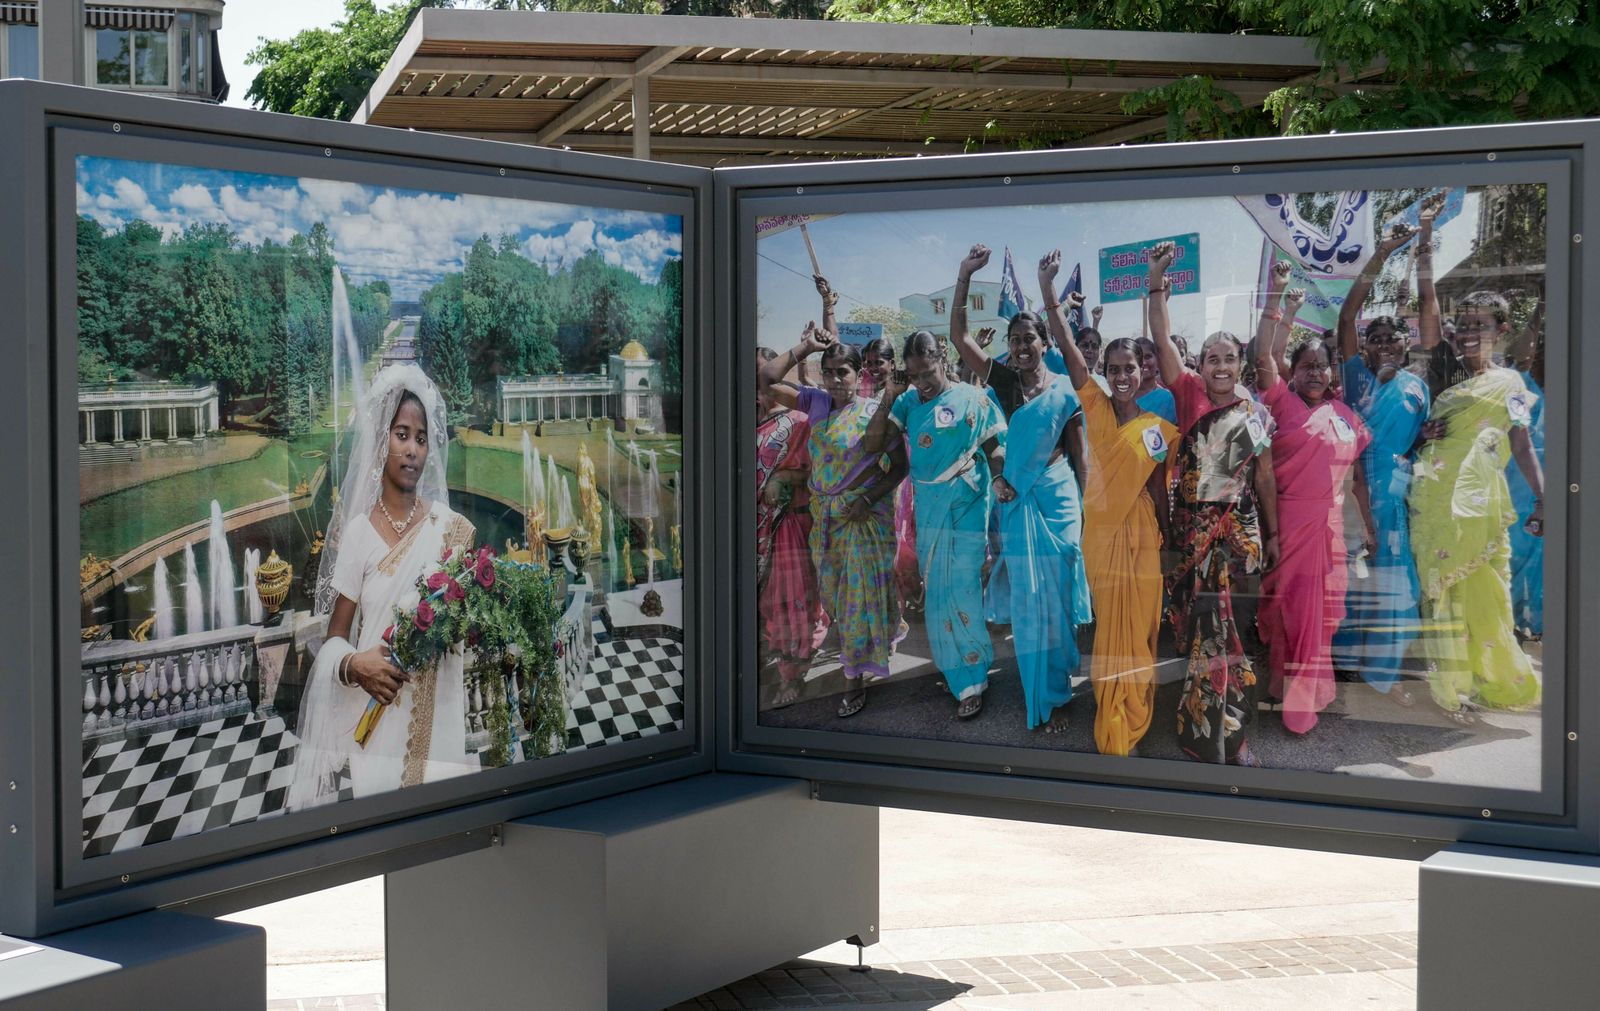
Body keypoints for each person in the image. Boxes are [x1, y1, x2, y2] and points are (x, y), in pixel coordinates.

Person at [288, 364, 476, 811]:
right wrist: (356, 665)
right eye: (401, 434)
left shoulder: (449, 529)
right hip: (377, 722)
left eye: (421, 438)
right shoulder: (357, 534)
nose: (412, 449)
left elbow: (463, 628)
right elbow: (334, 637)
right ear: (380, 442)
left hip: (439, 719)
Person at [947, 244, 1090, 732]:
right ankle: (1043, 696)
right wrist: (965, 275)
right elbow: (960, 338)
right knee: (1031, 601)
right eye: (1015, 340)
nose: (1022, 346)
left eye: (1030, 338)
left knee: (1059, 598)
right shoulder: (1005, 383)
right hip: (1017, 499)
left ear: (1045, 342)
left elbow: (1081, 456)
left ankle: (1059, 682)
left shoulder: (1065, 389)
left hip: (1059, 499)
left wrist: (1086, 510)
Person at [1038, 250, 1175, 755]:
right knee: (1110, 629)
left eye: (1129, 368)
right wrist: (1048, 289)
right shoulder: (1092, 403)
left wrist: (1167, 539)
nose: (1120, 375)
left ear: (1143, 370)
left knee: (1138, 628)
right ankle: (1112, 714)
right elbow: (1066, 345)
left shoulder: (1157, 427)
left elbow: (1158, 488)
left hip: (1141, 535)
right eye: (1113, 368)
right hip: (1100, 532)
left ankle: (1135, 711)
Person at [1149, 241, 1280, 766]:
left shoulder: (1257, 413)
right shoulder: (1187, 394)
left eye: (1229, 358)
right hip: (1192, 539)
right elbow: (1161, 338)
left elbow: (1264, 478)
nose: (1220, 366)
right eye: (1212, 358)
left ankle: (1232, 730)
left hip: (1239, 538)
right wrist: (1155, 281)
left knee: (1232, 635)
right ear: (1199, 366)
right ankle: (1199, 728)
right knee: (1199, 634)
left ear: (1241, 364)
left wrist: (1273, 535)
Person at [1411, 291, 1545, 720]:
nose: (1469, 333)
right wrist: (1424, 435)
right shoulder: (1443, 373)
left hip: (1480, 505)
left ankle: (1493, 678)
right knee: (1444, 593)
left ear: (1501, 330)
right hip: (1434, 499)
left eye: (1481, 325)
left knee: (1489, 591)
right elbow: (1416, 437)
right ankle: (1452, 686)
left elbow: (1522, 446)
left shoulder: (1512, 385)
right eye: (1464, 324)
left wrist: (1543, 498)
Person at [760, 324, 907, 718]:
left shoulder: (875, 411)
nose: (836, 379)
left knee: (858, 602)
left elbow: (899, 468)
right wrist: (805, 346)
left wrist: (868, 499)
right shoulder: (816, 404)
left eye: (843, 372)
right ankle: (877, 638)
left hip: (863, 521)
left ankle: (853, 678)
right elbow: (766, 379)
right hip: (825, 524)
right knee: (839, 601)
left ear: (859, 374)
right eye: (829, 372)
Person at [1254, 270, 1375, 736]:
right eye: (1306, 366)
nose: (1315, 372)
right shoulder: (1280, 402)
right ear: (1293, 371)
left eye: (1322, 366)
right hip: (1290, 525)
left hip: (1330, 531)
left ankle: (1291, 691)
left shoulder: (1344, 415)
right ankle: (1296, 706)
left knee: (1321, 618)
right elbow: (1263, 355)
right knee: (1294, 614)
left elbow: (1356, 477)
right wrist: (1277, 297)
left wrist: (1367, 527)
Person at [865, 329, 1006, 719]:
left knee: (963, 589)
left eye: (927, 372)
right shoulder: (908, 401)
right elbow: (874, 444)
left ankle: (973, 676)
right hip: (928, 510)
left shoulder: (973, 399)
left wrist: (1000, 477)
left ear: (942, 358)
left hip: (967, 506)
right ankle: (953, 669)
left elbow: (995, 446)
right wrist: (891, 394)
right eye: (914, 375)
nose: (922, 382)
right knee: (938, 594)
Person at [1330, 222, 1432, 699]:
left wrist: (1424, 442)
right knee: (1352, 581)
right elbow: (1347, 317)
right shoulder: (1356, 379)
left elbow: (1417, 446)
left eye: (1393, 338)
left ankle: (1381, 670)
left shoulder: (1419, 389)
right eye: (1377, 338)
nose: (1385, 344)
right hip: (1353, 496)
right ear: (1364, 347)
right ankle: (1344, 660)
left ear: (1406, 345)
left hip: (1395, 499)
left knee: (1393, 582)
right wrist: (1383, 253)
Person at [756, 348, 827, 707]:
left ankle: (791, 674)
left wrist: (784, 476)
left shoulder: (799, 422)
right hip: (753, 529)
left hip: (787, 526)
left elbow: (819, 472)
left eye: (761, 373)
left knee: (791, 603)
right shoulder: (741, 419)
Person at [861, 336, 924, 614]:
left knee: (904, 532)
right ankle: (892, 599)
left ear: (893, 363)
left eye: (880, 362)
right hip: (873, 470)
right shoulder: (862, 393)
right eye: (869, 363)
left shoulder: (906, 392)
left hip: (903, 468)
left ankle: (912, 591)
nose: (874, 368)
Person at [1134, 337, 1178, 424]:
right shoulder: (1122, 397)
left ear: (1158, 361)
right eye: (1138, 358)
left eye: (1148, 357)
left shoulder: (1168, 399)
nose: (1143, 362)